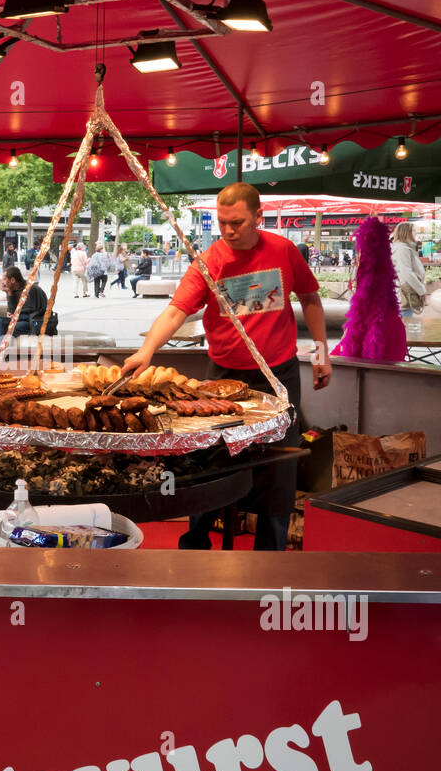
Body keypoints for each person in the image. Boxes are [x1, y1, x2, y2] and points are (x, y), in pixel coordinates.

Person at [123, 182, 331, 552]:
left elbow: (311, 297)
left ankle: (270, 553)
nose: (229, 230)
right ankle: (196, 545)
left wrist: (320, 351)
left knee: (279, 463)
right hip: (222, 377)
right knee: (209, 459)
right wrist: (147, 350)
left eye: (237, 222)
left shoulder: (282, 250)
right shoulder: (210, 261)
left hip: (276, 376)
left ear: (258, 218)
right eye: (222, 222)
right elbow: (175, 311)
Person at [0, 266, 50, 346]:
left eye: (4, 279)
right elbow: (10, 312)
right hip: (19, 320)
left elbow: (31, 313)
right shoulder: (11, 290)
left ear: (13, 280)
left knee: (8, 328)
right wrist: (9, 294)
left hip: (33, 322)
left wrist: (15, 316)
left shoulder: (31, 290)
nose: (2, 282)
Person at [391, 222, 426, 319]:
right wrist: (421, 291)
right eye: (414, 231)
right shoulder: (402, 249)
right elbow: (406, 273)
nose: (416, 233)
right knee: (405, 322)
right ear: (406, 232)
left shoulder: (403, 247)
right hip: (405, 292)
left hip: (405, 291)